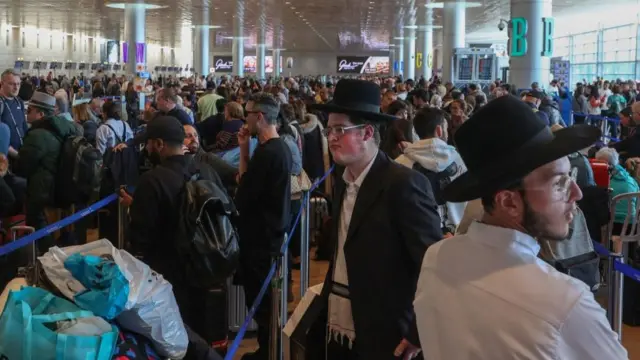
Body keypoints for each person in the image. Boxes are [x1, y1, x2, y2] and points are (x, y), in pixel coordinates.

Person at [414, 96, 627, 359]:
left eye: (570, 177)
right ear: (509, 202)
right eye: (560, 183)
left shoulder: (437, 257)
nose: (577, 193)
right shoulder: (565, 303)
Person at [309, 79, 443, 360]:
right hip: (339, 324)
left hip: (386, 335)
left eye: (340, 130)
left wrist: (418, 332)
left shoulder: (403, 184)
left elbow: (431, 265)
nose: (331, 137)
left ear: (367, 132)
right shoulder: (343, 180)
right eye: (329, 129)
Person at [234, 92, 292, 360]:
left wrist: (244, 154)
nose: (244, 120)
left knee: (262, 303)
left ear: (259, 116)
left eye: (247, 114)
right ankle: (267, 349)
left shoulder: (268, 153)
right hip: (270, 235)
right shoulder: (280, 148)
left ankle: (269, 352)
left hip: (260, 239)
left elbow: (243, 192)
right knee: (265, 303)